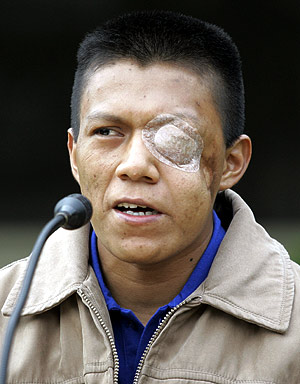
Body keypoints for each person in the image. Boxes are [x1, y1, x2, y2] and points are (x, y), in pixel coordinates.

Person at [1, 10, 300, 384]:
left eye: (175, 136)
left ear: (231, 163)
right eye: (108, 131)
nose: (135, 165)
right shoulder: (4, 313)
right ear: (74, 154)